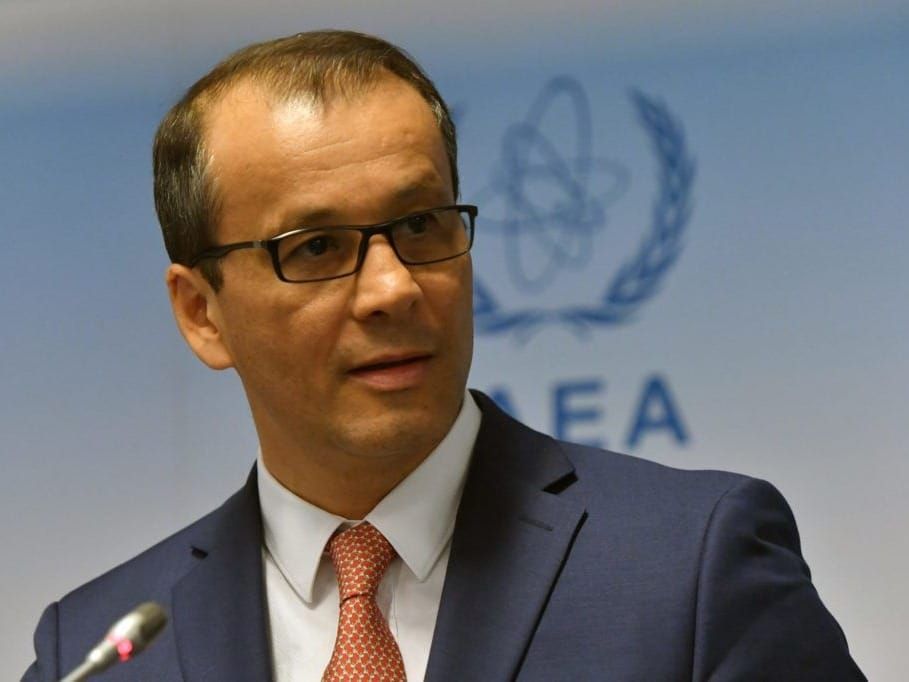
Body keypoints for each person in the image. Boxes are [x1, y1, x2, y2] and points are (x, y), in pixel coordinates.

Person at [23, 30, 865, 682]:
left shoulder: (689, 566)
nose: (391, 289)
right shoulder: (99, 647)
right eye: (316, 247)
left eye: (421, 226)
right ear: (202, 313)